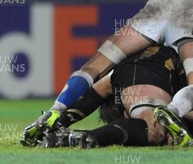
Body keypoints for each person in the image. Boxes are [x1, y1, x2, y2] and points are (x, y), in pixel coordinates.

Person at [22, 0, 193, 147]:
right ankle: (171, 113)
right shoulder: (141, 76)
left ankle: (54, 111)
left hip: (162, 3)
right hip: (187, 10)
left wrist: (61, 118)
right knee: (157, 126)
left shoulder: (130, 76)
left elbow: (101, 87)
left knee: (92, 69)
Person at [40, 46, 190, 148]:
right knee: (155, 128)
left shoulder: (122, 79)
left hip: (147, 62)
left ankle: (69, 137)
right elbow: (100, 89)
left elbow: (100, 89)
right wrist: (59, 122)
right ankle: (73, 138)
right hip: (152, 62)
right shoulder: (137, 73)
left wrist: (60, 122)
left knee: (157, 130)